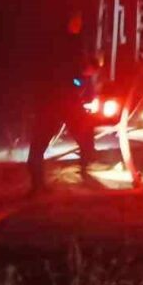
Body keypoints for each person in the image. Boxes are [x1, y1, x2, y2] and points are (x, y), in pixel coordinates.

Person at [27, 10, 99, 193]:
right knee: (43, 140)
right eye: (75, 20)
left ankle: (83, 171)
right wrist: (81, 77)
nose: (78, 24)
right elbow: (68, 75)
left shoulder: (71, 43)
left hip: (59, 99)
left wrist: (81, 77)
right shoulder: (63, 45)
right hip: (58, 100)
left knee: (83, 134)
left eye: (79, 21)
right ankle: (37, 185)